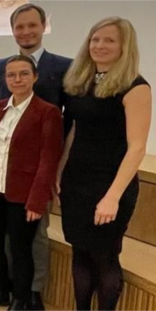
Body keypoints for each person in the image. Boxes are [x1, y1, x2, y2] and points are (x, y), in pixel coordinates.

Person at [0, 4, 73, 309]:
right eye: (20, 26)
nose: (26, 32)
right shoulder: (0, 65)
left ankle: (30, 291)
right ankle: (1, 282)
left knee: (33, 238)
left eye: (32, 25)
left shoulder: (63, 66)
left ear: (44, 26)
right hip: (0, 174)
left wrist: (54, 173)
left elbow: (67, 122)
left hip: (37, 170)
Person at [59, 17, 151, 311]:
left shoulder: (135, 87)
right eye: (95, 39)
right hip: (77, 182)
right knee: (80, 253)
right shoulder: (80, 82)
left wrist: (112, 197)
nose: (99, 45)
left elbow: (137, 148)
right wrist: (60, 173)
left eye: (109, 40)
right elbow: (74, 131)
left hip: (110, 185)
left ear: (125, 46)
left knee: (105, 257)